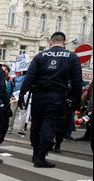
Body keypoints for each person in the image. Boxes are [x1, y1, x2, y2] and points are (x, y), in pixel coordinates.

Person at [18, 32, 83, 167]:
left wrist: (21, 96)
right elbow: (77, 82)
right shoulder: (71, 57)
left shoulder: (40, 56)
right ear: (64, 42)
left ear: (50, 42)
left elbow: (28, 78)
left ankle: (36, 154)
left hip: (38, 96)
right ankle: (41, 158)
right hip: (57, 97)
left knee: (36, 125)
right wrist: (76, 101)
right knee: (49, 124)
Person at [0, 64, 14, 143]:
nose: (4, 71)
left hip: (6, 106)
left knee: (5, 127)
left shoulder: (10, 82)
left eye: (5, 69)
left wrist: (13, 97)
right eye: (2, 69)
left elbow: (11, 94)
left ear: (8, 72)